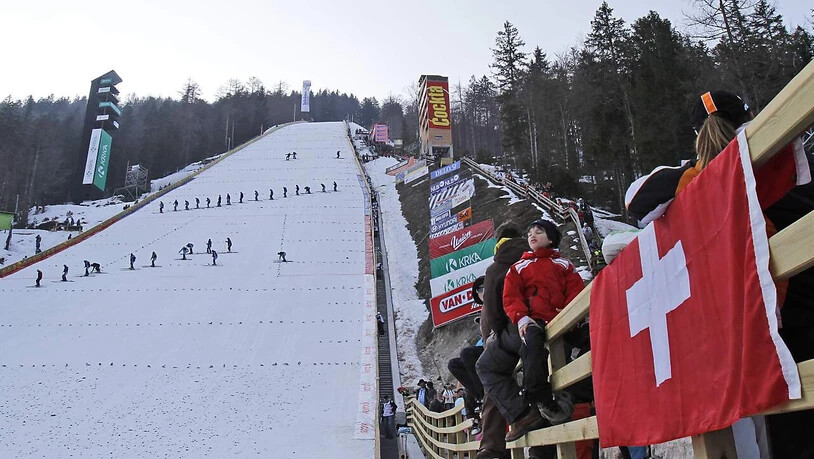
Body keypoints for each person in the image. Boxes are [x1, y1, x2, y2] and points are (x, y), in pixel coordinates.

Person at [626, 90, 814, 459]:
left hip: (763, 317)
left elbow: (637, 202)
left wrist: (699, 164)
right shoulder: (782, 143)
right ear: (750, 113)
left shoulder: (696, 178)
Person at [502, 220, 582, 432]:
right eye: (530, 232)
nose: (532, 234)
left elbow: (575, 290)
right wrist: (521, 317)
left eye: (539, 231)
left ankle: (581, 394)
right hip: (534, 318)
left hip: (561, 317)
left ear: (551, 238)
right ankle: (538, 394)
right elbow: (511, 296)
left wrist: (571, 314)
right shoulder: (519, 267)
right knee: (531, 344)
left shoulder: (563, 264)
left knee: (577, 346)